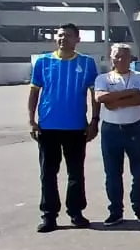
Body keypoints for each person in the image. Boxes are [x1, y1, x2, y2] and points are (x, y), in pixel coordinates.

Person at [28, 22, 99, 233]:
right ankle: (49, 215)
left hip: (76, 127)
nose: (63, 39)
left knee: (76, 172)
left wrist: (94, 121)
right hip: (48, 127)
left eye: (68, 35)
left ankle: (76, 212)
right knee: (48, 173)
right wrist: (31, 120)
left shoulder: (87, 63)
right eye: (60, 35)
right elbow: (34, 92)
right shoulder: (43, 62)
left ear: (77, 39)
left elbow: (95, 94)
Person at [91, 42, 140, 225]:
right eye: (117, 56)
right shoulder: (103, 78)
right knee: (112, 173)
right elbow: (101, 98)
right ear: (111, 58)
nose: (121, 60)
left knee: (139, 172)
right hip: (111, 130)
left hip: (135, 128)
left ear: (131, 58)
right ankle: (115, 211)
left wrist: (116, 100)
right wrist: (130, 93)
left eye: (125, 56)